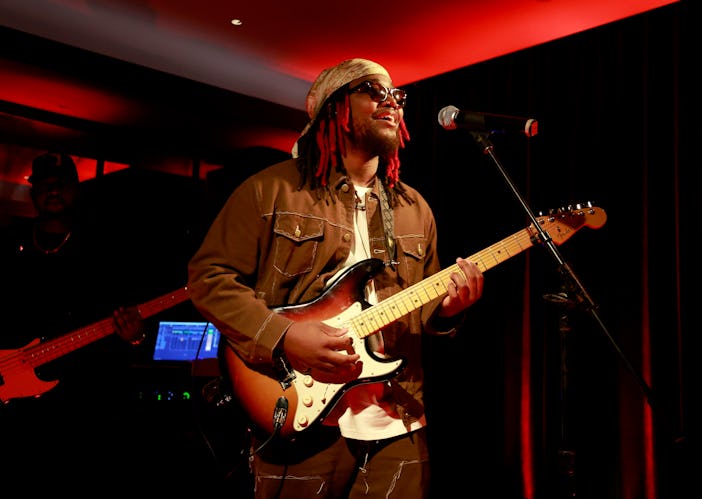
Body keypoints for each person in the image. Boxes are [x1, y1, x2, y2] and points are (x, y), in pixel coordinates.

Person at [187, 58, 485, 498]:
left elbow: (420, 312)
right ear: (335, 108)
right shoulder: (271, 190)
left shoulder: (414, 207)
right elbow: (208, 279)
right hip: (300, 415)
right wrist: (284, 336)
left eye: (396, 96)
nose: (391, 103)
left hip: (398, 419)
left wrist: (447, 313)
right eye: (373, 90)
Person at [0, 152, 146, 490]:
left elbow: (130, 324)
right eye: (45, 184)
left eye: (61, 184)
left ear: (76, 190)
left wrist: (136, 337)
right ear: (33, 192)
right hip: (15, 404)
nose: (53, 190)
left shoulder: (104, 251)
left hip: (84, 411)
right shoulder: (9, 247)